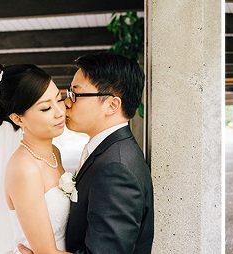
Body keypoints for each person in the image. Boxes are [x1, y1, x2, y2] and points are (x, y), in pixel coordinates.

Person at [19, 53, 154, 254]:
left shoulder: (116, 168)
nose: (66, 103)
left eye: (76, 94)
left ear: (112, 105)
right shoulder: (109, 150)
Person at [0, 64, 72, 254]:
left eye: (59, 99)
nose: (60, 112)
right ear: (18, 119)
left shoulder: (54, 152)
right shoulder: (24, 168)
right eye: (46, 108)